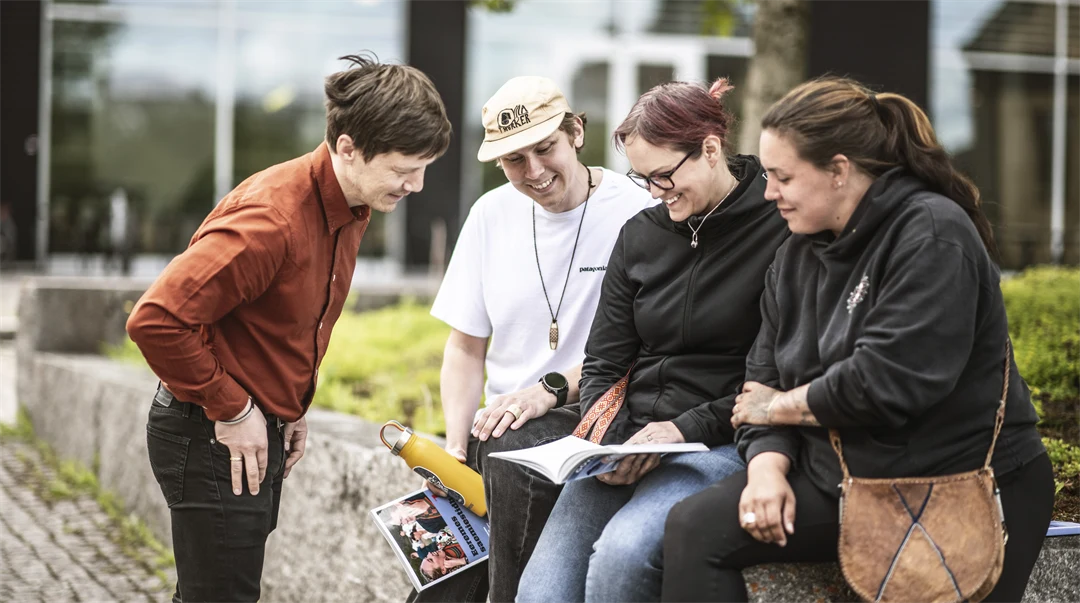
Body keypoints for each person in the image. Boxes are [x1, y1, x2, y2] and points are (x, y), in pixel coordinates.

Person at [661, 77, 1052, 603]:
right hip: (844, 479)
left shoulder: (932, 232)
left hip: (959, 485)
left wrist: (777, 409)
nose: (768, 191)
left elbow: (887, 382)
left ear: (839, 171)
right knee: (695, 527)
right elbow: (761, 382)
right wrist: (766, 471)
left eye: (782, 176)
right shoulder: (795, 253)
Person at [125, 54, 452, 603]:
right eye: (404, 169)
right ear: (347, 148)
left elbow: (287, 321)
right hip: (211, 435)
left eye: (425, 168)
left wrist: (293, 401)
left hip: (254, 427)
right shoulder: (270, 218)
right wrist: (235, 410)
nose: (417, 185)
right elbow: (156, 321)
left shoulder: (354, 202)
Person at [516, 78, 790, 603]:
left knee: (622, 557)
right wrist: (613, 441)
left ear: (710, 149)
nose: (656, 195)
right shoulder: (640, 234)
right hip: (629, 442)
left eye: (664, 176)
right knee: (540, 593)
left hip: (717, 441)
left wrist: (679, 429)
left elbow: (771, 373)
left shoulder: (779, 226)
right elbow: (603, 359)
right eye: (642, 180)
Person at [413, 76, 655, 603]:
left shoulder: (638, 208)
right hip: (500, 427)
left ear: (576, 132)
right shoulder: (490, 215)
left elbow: (646, 347)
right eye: (514, 161)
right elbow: (464, 346)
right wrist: (454, 448)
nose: (534, 173)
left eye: (545, 149)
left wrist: (543, 391)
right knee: (437, 581)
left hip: (592, 408)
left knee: (508, 452)